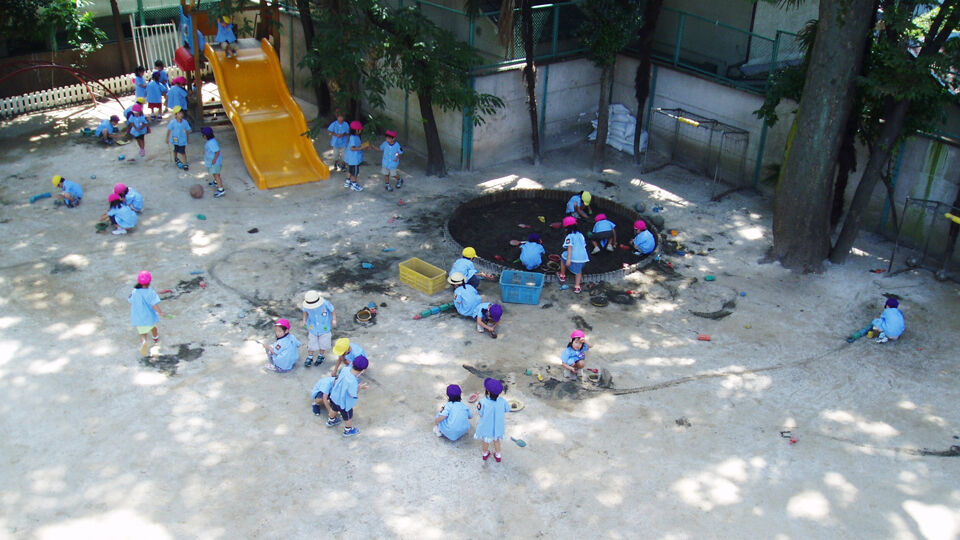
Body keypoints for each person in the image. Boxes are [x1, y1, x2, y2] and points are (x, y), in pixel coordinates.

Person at [128, 270, 169, 356]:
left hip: (138, 317)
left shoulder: (134, 291)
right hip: (149, 317)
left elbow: (130, 300)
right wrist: (161, 312)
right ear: (149, 282)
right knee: (154, 328)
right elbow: (154, 304)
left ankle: (144, 342)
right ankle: (156, 339)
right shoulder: (151, 292)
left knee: (142, 332)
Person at [327, 355, 369, 437]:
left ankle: (331, 421)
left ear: (353, 363)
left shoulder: (345, 369)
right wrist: (360, 387)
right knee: (348, 417)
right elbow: (353, 394)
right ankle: (348, 430)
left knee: (334, 409)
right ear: (363, 370)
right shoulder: (353, 381)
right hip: (344, 403)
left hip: (335, 396)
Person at [475, 377, 510, 462]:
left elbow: (480, 412)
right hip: (498, 427)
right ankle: (498, 455)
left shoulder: (483, 402)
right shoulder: (503, 401)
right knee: (497, 440)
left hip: (487, 427)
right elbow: (508, 409)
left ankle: (485, 453)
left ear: (488, 391)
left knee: (486, 441)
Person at [302, 290, 336, 368]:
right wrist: (304, 320)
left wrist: (334, 319)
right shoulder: (306, 306)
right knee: (312, 343)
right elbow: (305, 312)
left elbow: (332, 310)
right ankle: (310, 356)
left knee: (323, 343)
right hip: (313, 327)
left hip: (324, 328)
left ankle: (321, 355)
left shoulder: (325, 303)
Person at [557, 216, 589, 294]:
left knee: (562, 256)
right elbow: (583, 245)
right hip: (583, 258)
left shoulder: (569, 236)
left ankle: (562, 275)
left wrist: (569, 259)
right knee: (579, 271)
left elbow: (570, 247)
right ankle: (577, 287)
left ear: (566, 228)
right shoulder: (581, 235)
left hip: (573, 258)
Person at [202, 127, 226, 198]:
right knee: (214, 173)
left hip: (215, 162)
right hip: (213, 162)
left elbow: (217, 151)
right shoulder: (211, 141)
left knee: (216, 175)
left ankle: (221, 189)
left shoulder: (211, 143)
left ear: (205, 136)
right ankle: (216, 182)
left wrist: (214, 160)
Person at [343, 120, 367, 192]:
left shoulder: (355, 136)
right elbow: (352, 148)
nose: (360, 131)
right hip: (354, 159)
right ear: (356, 130)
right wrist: (361, 148)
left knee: (350, 170)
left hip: (351, 158)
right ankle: (354, 184)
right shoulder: (353, 137)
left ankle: (348, 181)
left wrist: (364, 146)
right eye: (360, 130)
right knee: (355, 172)